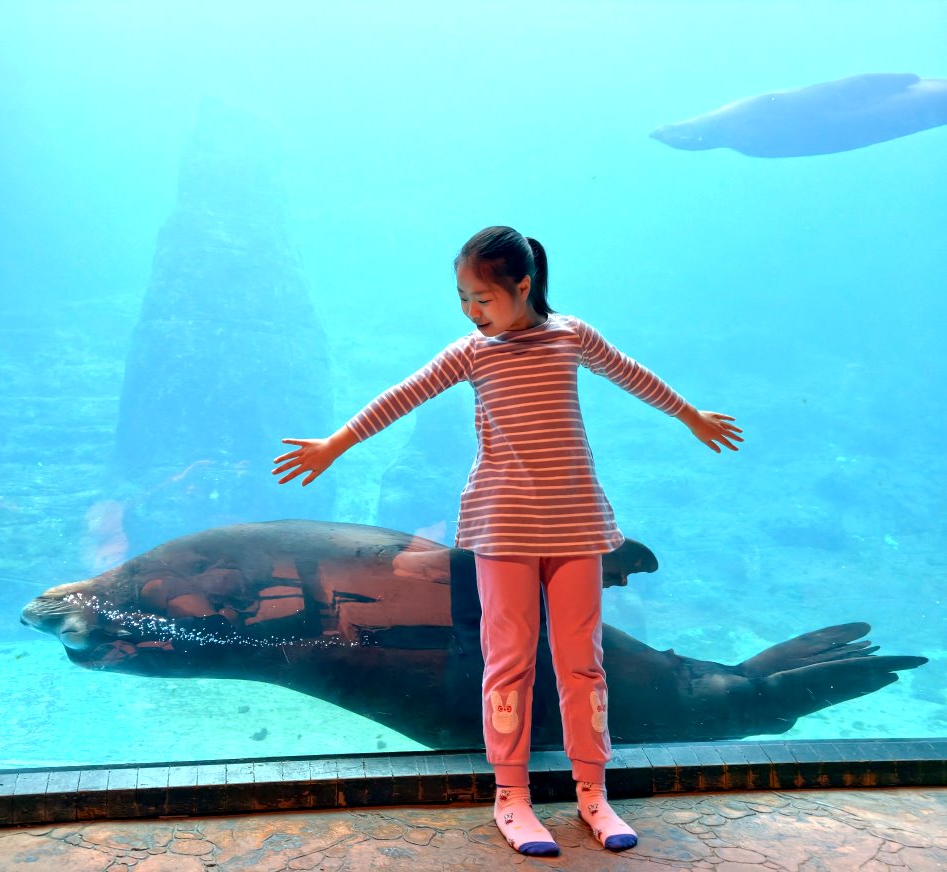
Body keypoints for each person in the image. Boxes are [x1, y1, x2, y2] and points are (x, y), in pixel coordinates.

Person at [272, 226, 741, 857]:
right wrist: (336, 443)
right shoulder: (472, 353)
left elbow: (634, 376)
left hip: (576, 525)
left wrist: (691, 415)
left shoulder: (571, 337)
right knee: (510, 662)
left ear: (523, 287)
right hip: (501, 530)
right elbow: (401, 396)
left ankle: (593, 794)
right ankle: (512, 798)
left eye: (483, 298)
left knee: (583, 662)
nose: (471, 311)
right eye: (462, 298)